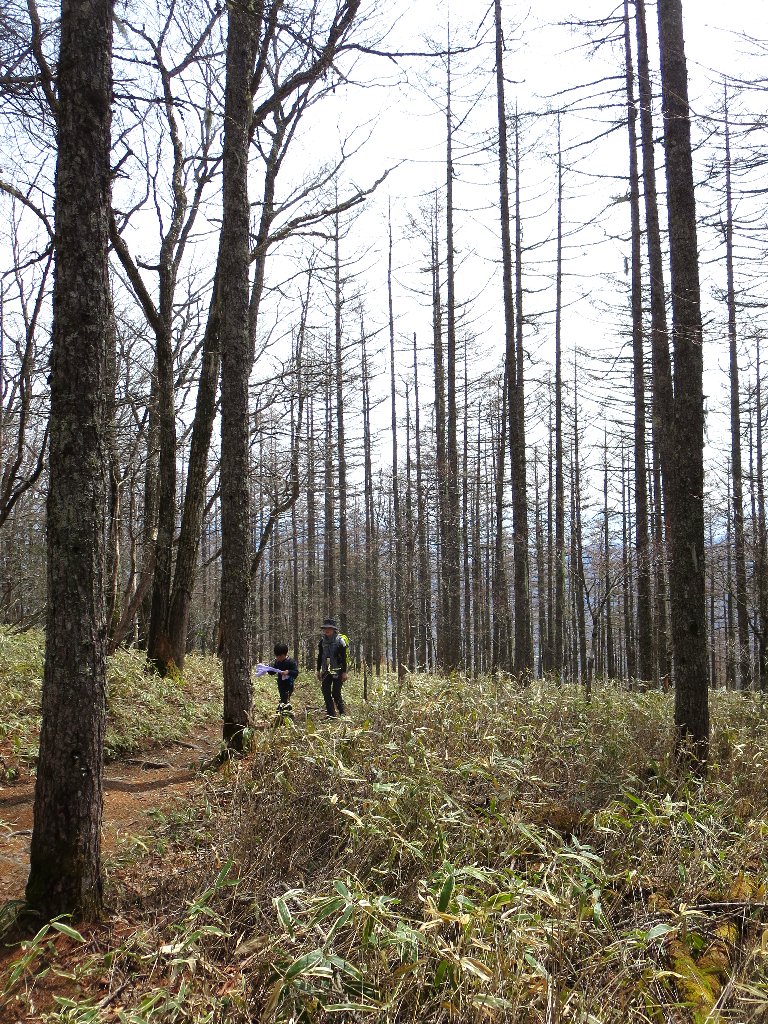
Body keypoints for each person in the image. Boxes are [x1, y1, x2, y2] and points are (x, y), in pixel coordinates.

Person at [316, 618, 347, 717]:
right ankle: (331, 714)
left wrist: (344, 672)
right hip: (326, 670)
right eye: (325, 628)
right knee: (325, 692)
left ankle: (342, 713)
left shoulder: (340, 641)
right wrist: (318, 670)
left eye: (329, 628)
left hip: (337, 670)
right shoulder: (322, 642)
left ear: (334, 629)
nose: (327, 630)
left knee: (336, 693)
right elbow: (320, 656)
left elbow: (344, 658)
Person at [272, 642, 299, 715]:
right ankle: (284, 715)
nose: (278, 658)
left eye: (280, 656)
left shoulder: (290, 661)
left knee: (285, 700)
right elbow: (273, 672)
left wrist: (288, 672)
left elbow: (296, 672)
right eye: (277, 656)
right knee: (283, 698)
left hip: (289, 684)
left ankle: (285, 716)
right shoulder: (277, 662)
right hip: (281, 684)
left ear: (285, 654)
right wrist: (268, 669)